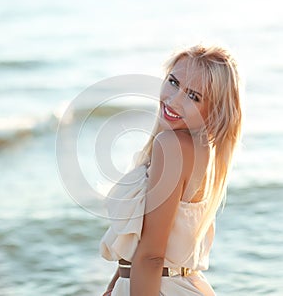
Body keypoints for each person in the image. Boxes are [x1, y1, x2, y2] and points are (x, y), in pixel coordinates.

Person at [100, 44, 243, 295]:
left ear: (214, 111)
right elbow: (141, 240)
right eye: (174, 82)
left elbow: (153, 256)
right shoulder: (195, 149)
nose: (174, 100)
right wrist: (114, 284)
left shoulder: (173, 147)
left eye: (193, 96)